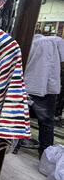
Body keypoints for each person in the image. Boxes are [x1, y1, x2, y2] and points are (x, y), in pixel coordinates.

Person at [22, 30, 64, 158]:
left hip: (29, 84)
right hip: (47, 88)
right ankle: (45, 153)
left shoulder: (31, 42)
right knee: (46, 122)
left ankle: (14, 144)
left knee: (21, 118)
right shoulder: (57, 41)